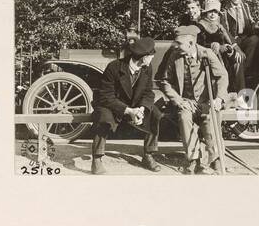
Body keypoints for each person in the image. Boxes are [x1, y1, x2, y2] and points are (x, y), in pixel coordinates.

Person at [155, 25, 229, 175]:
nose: (176, 46)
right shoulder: (175, 55)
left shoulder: (206, 54)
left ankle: (215, 159)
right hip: (187, 102)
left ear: (191, 43)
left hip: (207, 101)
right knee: (184, 117)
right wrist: (177, 99)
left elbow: (222, 76)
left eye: (179, 43)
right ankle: (193, 159)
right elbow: (165, 81)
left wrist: (219, 98)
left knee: (209, 122)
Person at [90, 36, 163, 174]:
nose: (152, 58)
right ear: (144, 57)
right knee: (103, 117)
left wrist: (141, 109)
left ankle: (148, 155)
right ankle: (97, 158)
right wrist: (129, 111)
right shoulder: (114, 67)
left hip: (134, 106)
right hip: (112, 105)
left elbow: (148, 93)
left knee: (155, 113)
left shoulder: (147, 68)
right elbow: (106, 97)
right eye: (151, 55)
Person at [197, 0, 246, 91]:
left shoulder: (219, 26)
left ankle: (238, 93)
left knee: (237, 61)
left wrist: (230, 49)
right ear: (205, 13)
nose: (212, 14)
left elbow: (228, 41)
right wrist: (216, 46)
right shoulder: (201, 26)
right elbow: (200, 43)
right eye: (210, 12)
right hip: (208, 57)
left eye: (215, 12)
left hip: (223, 57)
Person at [222, 0, 259, 65]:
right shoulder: (224, 9)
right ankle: (240, 72)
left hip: (245, 38)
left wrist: (256, 25)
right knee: (237, 58)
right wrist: (236, 47)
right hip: (232, 40)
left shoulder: (245, 6)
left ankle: (247, 69)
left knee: (255, 39)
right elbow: (225, 30)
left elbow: (250, 23)